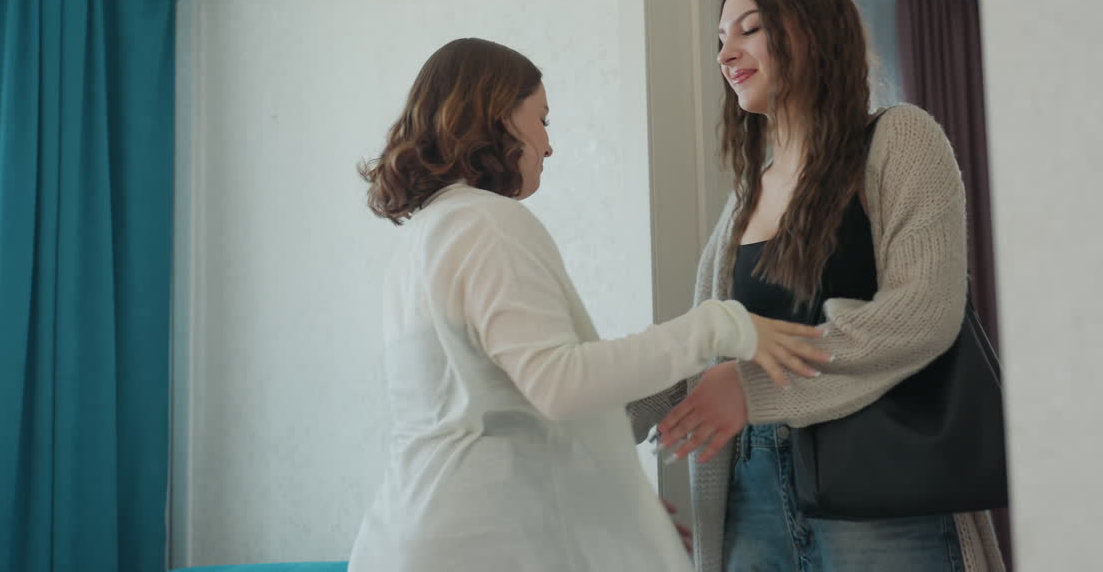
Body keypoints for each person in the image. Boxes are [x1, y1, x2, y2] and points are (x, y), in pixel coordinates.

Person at [347, 38, 829, 571]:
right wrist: (716, 327)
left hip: (412, 533)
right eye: (543, 119)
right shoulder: (486, 223)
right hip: (477, 539)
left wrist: (610, 504)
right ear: (500, 116)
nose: (548, 145)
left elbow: (503, 409)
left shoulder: (427, 234)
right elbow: (560, 384)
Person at [628, 0, 1006, 572]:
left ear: (811, 28)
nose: (727, 54)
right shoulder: (746, 195)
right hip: (748, 493)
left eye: (749, 29)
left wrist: (751, 387)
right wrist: (585, 417)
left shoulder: (898, 139)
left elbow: (923, 315)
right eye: (721, 39)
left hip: (882, 485)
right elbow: (701, 348)